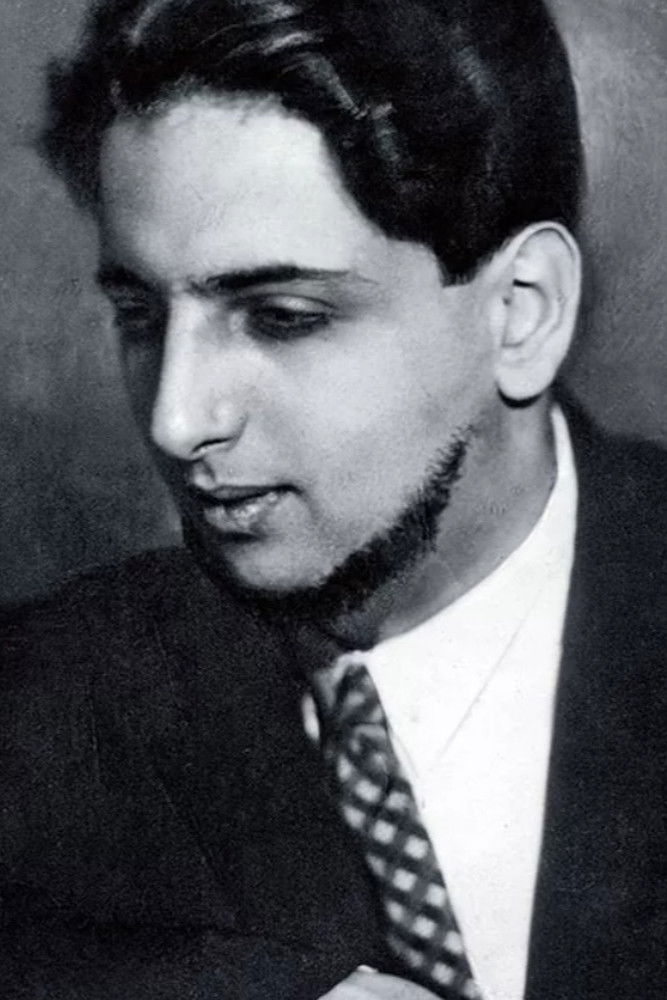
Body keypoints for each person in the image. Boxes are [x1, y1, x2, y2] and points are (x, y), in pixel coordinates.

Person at [1, 0, 666, 997]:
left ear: (521, 313)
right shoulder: (38, 702)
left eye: (281, 317)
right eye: (139, 314)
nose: (177, 420)